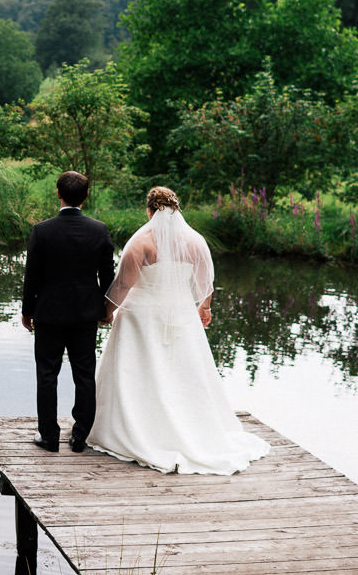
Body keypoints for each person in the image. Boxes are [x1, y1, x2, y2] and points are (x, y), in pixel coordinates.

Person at [86, 186, 269, 474]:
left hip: (141, 318)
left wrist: (106, 312)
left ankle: (138, 428)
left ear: (149, 210)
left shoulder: (140, 243)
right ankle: (188, 427)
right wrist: (204, 308)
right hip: (181, 316)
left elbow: (122, 285)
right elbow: (205, 280)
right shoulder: (194, 241)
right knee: (182, 373)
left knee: (139, 373)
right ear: (177, 209)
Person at [21, 171, 116, 453]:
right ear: (85, 197)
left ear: (58, 194)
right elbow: (107, 277)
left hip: (49, 313)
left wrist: (27, 311)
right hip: (86, 314)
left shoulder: (42, 230)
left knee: (47, 375)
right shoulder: (99, 230)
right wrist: (106, 309)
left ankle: (49, 437)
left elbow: (32, 276)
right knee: (84, 375)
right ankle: (79, 438)